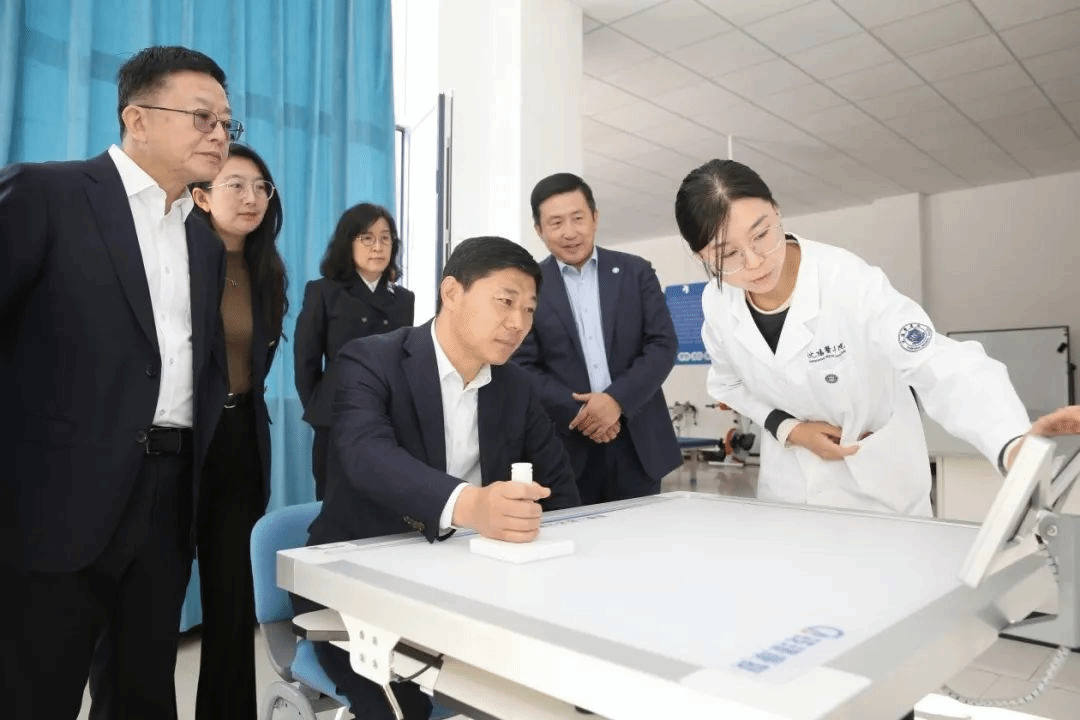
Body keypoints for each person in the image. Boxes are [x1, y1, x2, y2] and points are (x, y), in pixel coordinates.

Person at [0, 46, 234, 719]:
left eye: (227, 122)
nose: (219, 134)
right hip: (53, 502)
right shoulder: (46, 195)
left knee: (142, 691)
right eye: (202, 117)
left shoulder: (203, 242)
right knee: (32, 692)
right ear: (137, 118)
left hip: (166, 497)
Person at [674, 158, 1080, 518]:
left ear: (777, 211)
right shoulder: (718, 301)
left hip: (878, 493)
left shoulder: (848, 281)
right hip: (788, 491)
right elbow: (728, 384)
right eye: (728, 255)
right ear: (701, 257)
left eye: (762, 234)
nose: (754, 261)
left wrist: (1012, 443)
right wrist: (788, 429)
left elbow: (937, 362)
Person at [297, 236, 581, 719]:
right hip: (359, 582)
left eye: (529, 310)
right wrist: (472, 505)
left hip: (469, 586)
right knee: (402, 706)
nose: (519, 323)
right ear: (451, 292)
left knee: (560, 691)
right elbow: (366, 456)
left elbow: (560, 492)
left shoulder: (515, 386)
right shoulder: (370, 360)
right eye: (506, 301)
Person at [512, 172, 682, 505]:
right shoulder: (528, 285)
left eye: (578, 218)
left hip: (637, 440)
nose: (569, 232)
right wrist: (586, 413)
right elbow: (521, 365)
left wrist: (615, 401)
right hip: (566, 442)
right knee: (573, 534)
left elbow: (662, 345)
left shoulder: (636, 272)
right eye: (556, 222)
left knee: (642, 533)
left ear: (595, 217)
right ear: (539, 230)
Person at [189, 142, 287, 720]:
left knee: (232, 605)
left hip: (241, 441)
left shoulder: (266, 270)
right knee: (148, 602)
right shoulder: (179, 258)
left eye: (261, 187)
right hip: (181, 445)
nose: (252, 198)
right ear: (202, 197)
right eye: (236, 185)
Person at [294, 202, 415, 499]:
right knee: (333, 503)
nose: (378, 247)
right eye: (367, 238)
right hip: (336, 416)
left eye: (385, 238)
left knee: (385, 501)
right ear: (348, 242)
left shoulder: (404, 299)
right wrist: (322, 407)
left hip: (387, 417)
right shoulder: (324, 291)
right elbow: (306, 361)